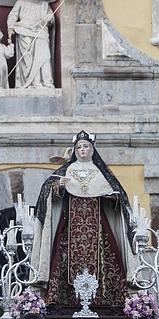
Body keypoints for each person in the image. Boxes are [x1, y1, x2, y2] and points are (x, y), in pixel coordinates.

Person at [32, 130, 134, 307]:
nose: (82, 150)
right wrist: (58, 187)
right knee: (61, 261)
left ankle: (105, 300)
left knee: (108, 262)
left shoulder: (102, 173)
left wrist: (112, 197)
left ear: (93, 149)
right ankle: (64, 300)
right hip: (70, 226)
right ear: (74, 150)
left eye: (86, 146)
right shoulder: (66, 171)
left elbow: (119, 198)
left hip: (98, 229)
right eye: (79, 147)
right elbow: (47, 193)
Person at [6, 0, 55, 88]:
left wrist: (49, 18)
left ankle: (46, 82)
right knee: (27, 61)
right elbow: (13, 15)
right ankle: (31, 83)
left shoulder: (44, 4)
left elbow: (51, 19)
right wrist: (10, 27)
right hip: (24, 31)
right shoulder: (21, 2)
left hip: (41, 31)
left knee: (44, 56)